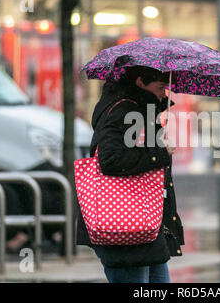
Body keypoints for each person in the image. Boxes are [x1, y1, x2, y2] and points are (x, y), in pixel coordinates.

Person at [75, 66, 185, 283]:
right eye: (161, 87)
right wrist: (159, 153)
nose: (165, 93)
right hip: (124, 222)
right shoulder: (123, 110)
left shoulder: (143, 109)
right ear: (140, 82)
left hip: (143, 223)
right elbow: (110, 160)